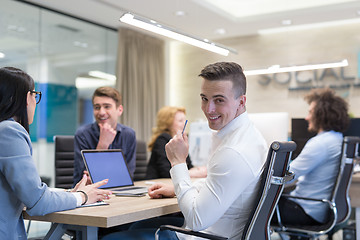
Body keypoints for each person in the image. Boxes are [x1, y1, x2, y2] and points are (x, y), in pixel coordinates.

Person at [102, 62, 268, 240]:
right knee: (137, 226)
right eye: (204, 98)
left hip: (205, 235)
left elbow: (196, 220)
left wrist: (178, 162)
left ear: (241, 101)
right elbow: (219, 185)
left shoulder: (234, 152)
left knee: (110, 238)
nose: (208, 109)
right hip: (220, 229)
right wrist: (177, 188)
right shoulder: (249, 136)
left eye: (219, 100)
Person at [0, 67, 112, 240]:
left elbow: (31, 192)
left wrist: (71, 194)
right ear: (22, 98)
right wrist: (82, 197)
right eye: (34, 94)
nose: (34, 101)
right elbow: (38, 202)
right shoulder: (9, 131)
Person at [275, 88, 349, 230]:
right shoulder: (337, 138)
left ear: (321, 115)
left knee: (251, 208)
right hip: (321, 209)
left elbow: (286, 175)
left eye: (310, 112)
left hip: (306, 210)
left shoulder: (321, 143)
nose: (306, 118)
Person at [73, 86, 136, 185]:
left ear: (119, 110)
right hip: (89, 193)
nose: (101, 112)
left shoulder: (129, 134)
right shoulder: (82, 134)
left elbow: (127, 176)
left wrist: (98, 175)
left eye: (107, 106)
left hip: (119, 191)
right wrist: (102, 145)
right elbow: (84, 179)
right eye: (97, 107)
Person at [146, 106, 207, 179]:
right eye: (180, 121)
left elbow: (189, 166)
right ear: (168, 123)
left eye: (185, 120)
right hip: (157, 184)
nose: (185, 124)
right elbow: (166, 172)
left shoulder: (181, 142)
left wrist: (199, 170)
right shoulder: (162, 139)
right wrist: (192, 173)